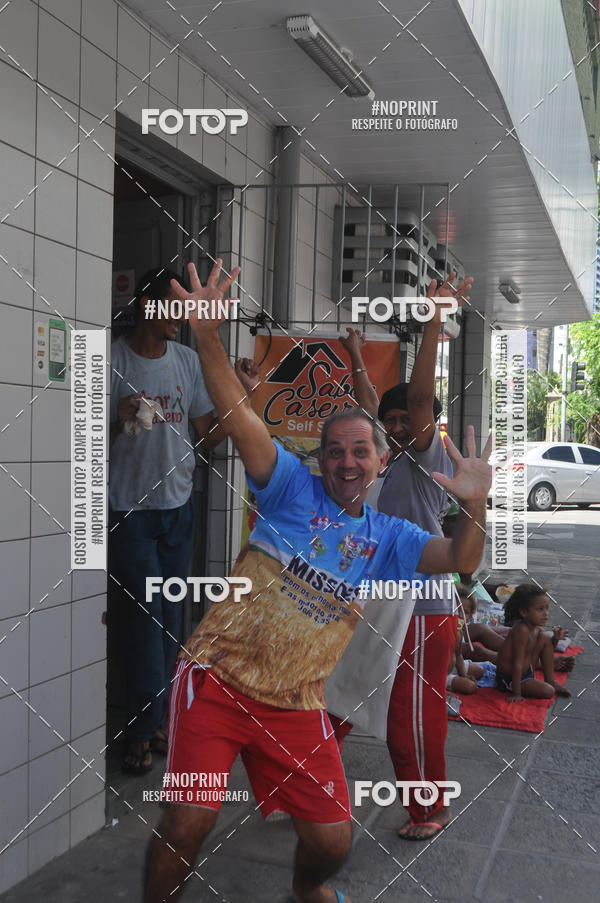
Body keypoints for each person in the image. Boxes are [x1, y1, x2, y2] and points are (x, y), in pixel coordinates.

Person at [142, 259, 493, 903]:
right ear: (320, 460)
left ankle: (305, 892)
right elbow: (244, 418)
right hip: (216, 681)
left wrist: (472, 504)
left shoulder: (390, 538)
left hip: (297, 702)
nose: (348, 460)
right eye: (336, 451)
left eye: (362, 451)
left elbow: (462, 559)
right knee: (187, 822)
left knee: (331, 842)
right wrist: (206, 334)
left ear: (382, 460)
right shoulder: (287, 489)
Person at [336, 271, 474, 841]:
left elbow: (415, 398)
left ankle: (428, 810)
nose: (394, 428)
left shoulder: (424, 461)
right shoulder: (381, 461)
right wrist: (353, 356)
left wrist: (434, 320)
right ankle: (302, 790)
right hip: (370, 607)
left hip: (421, 613)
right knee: (332, 697)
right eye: (387, 423)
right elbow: (375, 404)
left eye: (404, 423)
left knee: (408, 720)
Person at [109, 267, 223, 775]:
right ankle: (140, 727)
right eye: (173, 305)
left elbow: (206, 438)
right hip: (128, 510)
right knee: (141, 619)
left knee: (171, 619)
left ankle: (159, 721)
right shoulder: (111, 358)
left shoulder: (185, 361)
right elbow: (73, 440)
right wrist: (116, 415)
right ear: (146, 306)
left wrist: (238, 397)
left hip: (178, 507)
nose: (180, 316)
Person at [495, 585, 572, 702]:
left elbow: (548, 651)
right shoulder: (521, 630)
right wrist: (517, 693)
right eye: (540, 609)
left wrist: (555, 639)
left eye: (547, 608)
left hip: (527, 671)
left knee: (545, 637)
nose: (546, 613)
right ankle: (516, 688)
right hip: (510, 678)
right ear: (524, 612)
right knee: (548, 691)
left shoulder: (538, 630)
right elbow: (517, 663)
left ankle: (550, 681)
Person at [446, 618, 484, 694]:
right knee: (470, 687)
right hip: (438, 674)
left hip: (452, 667)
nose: (459, 615)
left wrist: (464, 675)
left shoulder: (459, 631)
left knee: (479, 670)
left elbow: (458, 655)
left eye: (465, 612)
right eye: (457, 611)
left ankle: (456, 676)